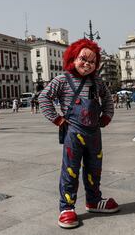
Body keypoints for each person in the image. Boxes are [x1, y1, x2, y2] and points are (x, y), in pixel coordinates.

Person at [39, 38, 118, 229]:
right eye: (83, 59)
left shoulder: (96, 80)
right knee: (70, 170)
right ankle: (66, 207)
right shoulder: (61, 80)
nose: (87, 64)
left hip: (94, 133)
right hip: (73, 133)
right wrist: (57, 119)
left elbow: (107, 98)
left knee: (94, 167)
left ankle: (93, 200)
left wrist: (107, 115)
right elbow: (44, 98)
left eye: (92, 62)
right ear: (73, 57)